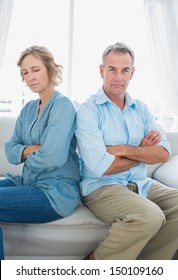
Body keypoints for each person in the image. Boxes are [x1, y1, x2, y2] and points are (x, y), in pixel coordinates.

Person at [75, 42, 178, 260]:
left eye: (125, 70)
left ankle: (143, 269)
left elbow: (163, 152)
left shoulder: (140, 109)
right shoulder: (88, 111)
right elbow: (101, 166)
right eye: (112, 69)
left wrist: (123, 150)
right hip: (101, 187)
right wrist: (142, 151)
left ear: (133, 73)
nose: (118, 77)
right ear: (102, 71)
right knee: (149, 216)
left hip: (142, 184)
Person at [0, 46, 80, 259]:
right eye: (25, 73)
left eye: (35, 69)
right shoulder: (28, 109)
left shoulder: (63, 106)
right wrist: (33, 150)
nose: (30, 77)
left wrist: (23, 154)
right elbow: (9, 149)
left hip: (55, 191)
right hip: (27, 182)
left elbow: (54, 156)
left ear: (50, 69)